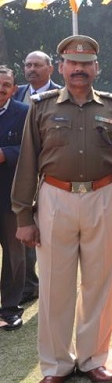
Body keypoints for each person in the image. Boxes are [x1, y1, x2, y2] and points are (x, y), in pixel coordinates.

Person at [11, 36, 112, 383]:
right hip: (55, 198)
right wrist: (23, 216)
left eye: (86, 63)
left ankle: (94, 359)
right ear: (62, 67)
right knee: (54, 285)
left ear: (96, 68)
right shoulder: (42, 106)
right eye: (72, 62)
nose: (79, 69)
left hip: (102, 196)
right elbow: (28, 163)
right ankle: (56, 364)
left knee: (99, 282)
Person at [13, 50, 61, 306]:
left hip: (47, 174)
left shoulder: (61, 95)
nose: (32, 69)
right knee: (23, 225)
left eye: (38, 65)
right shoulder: (15, 92)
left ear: (50, 69)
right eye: (28, 65)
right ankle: (29, 284)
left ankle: (53, 283)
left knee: (45, 228)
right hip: (17, 172)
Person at [0, 67, 28, 331]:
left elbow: (32, 151)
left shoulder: (23, 112)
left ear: (14, 88)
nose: (1, 89)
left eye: (6, 85)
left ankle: (9, 309)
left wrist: (6, 154)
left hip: (10, 197)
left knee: (13, 256)